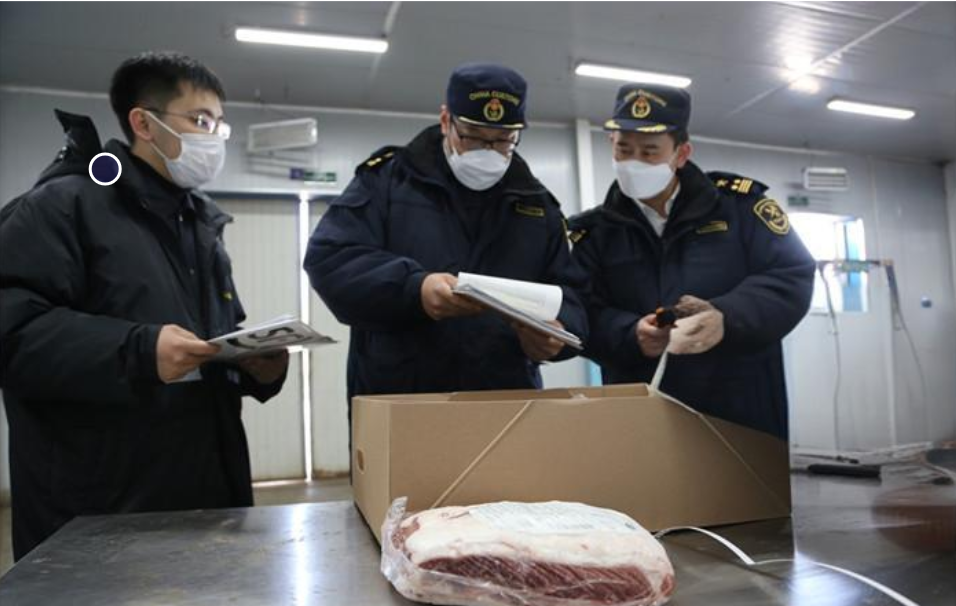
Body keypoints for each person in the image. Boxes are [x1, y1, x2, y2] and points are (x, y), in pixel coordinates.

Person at [0, 51, 288, 560]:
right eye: (201, 120)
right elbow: (13, 333)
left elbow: (211, 338)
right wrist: (138, 350)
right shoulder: (63, 206)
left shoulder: (200, 225)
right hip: (100, 514)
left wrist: (253, 367)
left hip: (206, 497)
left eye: (220, 125)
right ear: (144, 123)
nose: (214, 138)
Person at [304, 62, 588, 406]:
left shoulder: (537, 206)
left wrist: (556, 335)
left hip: (504, 401)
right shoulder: (388, 182)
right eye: (473, 137)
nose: (488, 151)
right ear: (445, 121)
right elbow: (329, 258)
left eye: (503, 140)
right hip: (402, 399)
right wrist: (415, 288)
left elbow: (573, 297)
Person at [568, 83, 814, 439]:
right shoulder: (592, 233)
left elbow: (790, 275)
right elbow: (579, 311)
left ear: (681, 153)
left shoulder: (741, 209)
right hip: (643, 414)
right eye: (624, 149)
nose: (634, 162)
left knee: (740, 478)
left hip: (739, 409)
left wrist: (727, 317)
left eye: (650, 151)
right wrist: (630, 334)